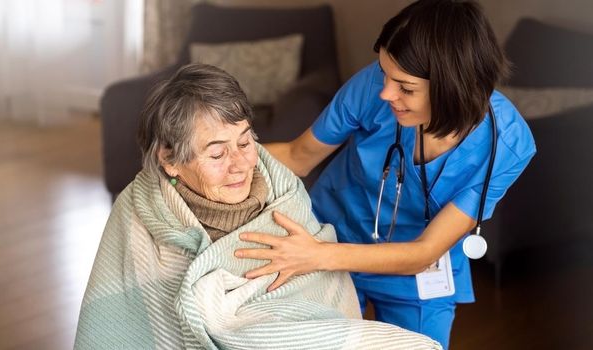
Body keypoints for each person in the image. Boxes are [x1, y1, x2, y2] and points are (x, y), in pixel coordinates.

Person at [234, 0, 536, 348]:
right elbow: (298, 156)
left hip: (413, 271)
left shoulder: (506, 144)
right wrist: (221, 154)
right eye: (385, 74)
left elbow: (424, 251)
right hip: (331, 234)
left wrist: (315, 255)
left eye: (406, 88)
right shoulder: (372, 88)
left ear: (453, 87)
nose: (386, 93)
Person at [74, 63, 441, 349]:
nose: (240, 164)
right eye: (216, 152)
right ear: (169, 160)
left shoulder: (284, 197)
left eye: (246, 142)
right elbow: (119, 325)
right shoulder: (139, 211)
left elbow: (317, 306)